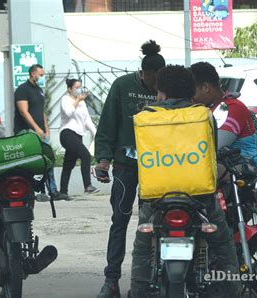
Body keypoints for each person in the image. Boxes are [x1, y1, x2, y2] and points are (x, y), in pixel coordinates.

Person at [130, 65, 241, 298]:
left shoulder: (145, 115)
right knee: (223, 245)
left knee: (142, 248)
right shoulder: (204, 115)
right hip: (200, 196)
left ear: (161, 92)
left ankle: (139, 291)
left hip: (155, 197)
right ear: (191, 90)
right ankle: (233, 290)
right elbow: (211, 149)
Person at [94, 40, 166, 298]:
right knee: (120, 220)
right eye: (152, 80)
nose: (156, 87)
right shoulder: (122, 86)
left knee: (155, 224)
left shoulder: (167, 89)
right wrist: (102, 160)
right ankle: (111, 280)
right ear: (144, 73)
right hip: (125, 167)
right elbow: (106, 127)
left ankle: (154, 280)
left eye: (160, 82)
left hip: (158, 168)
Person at [190, 62, 257, 169]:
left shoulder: (233, 108)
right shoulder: (211, 107)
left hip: (246, 174)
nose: (190, 98)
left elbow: (210, 147)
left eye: (192, 92)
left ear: (205, 87)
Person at [14, 64, 69, 201]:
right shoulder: (22, 90)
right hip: (26, 132)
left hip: (41, 132)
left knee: (47, 160)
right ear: (33, 74)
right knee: (28, 163)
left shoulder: (39, 90)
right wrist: (35, 128)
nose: (42, 77)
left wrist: (45, 128)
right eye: (41, 74)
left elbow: (41, 110)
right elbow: (23, 111)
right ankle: (31, 191)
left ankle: (53, 191)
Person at [59, 79, 99, 196]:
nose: (79, 90)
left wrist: (95, 134)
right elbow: (69, 112)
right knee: (85, 155)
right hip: (67, 133)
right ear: (70, 89)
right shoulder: (65, 99)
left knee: (69, 163)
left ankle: (63, 192)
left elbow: (87, 121)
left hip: (78, 134)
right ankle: (87, 185)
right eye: (76, 87)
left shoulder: (82, 103)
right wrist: (77, 100)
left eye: (80, 87)